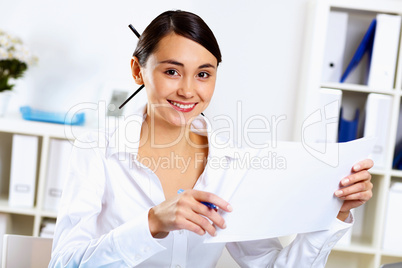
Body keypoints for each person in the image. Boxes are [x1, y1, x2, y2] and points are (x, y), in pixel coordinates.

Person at [49, 10, 374, 267]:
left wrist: (337, 212)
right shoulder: (97, 151)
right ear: (138, 70)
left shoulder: (231, 165)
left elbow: (273, 266)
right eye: (172, 71)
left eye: (203, 74)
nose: (189, 90)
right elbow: (64, 263)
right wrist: (153, 222)